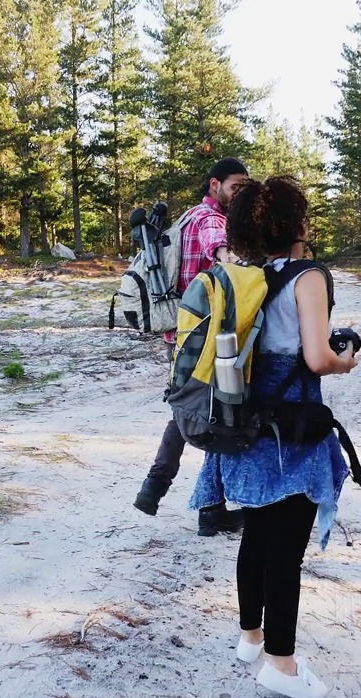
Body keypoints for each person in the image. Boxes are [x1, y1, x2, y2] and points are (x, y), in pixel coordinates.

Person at [189, 176, 357, 698]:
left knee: (257, 535)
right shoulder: (308, 276)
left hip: (248, 425)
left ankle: (251, 637)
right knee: (287, 549)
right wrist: (343, 359)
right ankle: (282, 664)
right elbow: (315, 358)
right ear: (298, 223)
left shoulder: (248, 276)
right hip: (293, 432)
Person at [133, 157, 249, 537]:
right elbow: (221, 250)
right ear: (215, 185)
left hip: (184, 336)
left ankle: (191, 501)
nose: (240, 193)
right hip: (204, 337)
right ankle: (167, 490)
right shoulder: (211, 219)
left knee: (201, 409)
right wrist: (237, 262)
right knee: (213, 414)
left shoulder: (190, 216)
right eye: (235, 186)